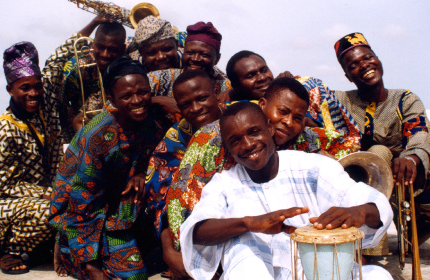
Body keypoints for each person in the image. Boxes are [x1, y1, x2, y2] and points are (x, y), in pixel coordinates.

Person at [179, 102, 393, 279]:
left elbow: (372, 204)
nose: (247, 145)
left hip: (321, 273)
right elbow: (196, 231)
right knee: (243, 246)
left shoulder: (314, 167)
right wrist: (248, 223)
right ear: (227, 147)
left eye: (254, 132)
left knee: (378, 276)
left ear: (270, 129)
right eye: (235, 141)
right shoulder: (224, 184)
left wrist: (361, 211)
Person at [166, 78, 358, 250]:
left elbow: (352, 149)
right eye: (282, 112)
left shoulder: (304, 138)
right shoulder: (212, 138)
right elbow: (181, 199)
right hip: (229, 240)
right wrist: (178, 247)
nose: (289, 122)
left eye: (298, 118)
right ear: (263, 104)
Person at [49, 56, 169, 279]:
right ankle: (66, 243)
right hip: (87, 213)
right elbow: (82, 200)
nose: (136, 101)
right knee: (133, 276)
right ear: (112, 100)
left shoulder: (154, 122)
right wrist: (90, 263)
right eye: (126, 96)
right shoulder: (99, 136)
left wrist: (144, 173)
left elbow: (160, 157)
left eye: (142, 92)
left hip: (123, 207)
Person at [333, 32, 430, 251]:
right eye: (353, 65)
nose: (364, 65)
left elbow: (421, 133)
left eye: (367, 58)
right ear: (347, 76)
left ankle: (410, 239)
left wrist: (412, 158)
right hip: (358, 190)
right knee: (379, 152)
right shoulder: (339, 101)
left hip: (404, 182)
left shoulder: (405, 99)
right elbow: (309, 94)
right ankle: (372, 250)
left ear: (378, 60)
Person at [0, 42, 62, 274]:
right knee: (52, 210)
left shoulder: (42, 105)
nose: (33, 93)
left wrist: (98, 21)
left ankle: (37, 244)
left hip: (43, 193)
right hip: (4, 202)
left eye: (37, 87)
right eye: (25, 88)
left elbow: (58, 61)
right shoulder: (4, 129)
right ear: (10, 89)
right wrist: (50, 193)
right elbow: (5, 185)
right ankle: (7, 249)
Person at [144, 70, 224, 279]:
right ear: (179, 107)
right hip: (198, 232)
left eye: (202, 98)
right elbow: (160, 200)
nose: (196, 108)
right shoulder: (175, 139)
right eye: (186, 104)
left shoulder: (242, 119)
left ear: (216, 92)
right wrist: (170, 253)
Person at [218, 50, 360, 144]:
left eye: (264, 70)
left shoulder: (302, 88)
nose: (262, 78)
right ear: (235, 85)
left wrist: (309, 120)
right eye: (251, 75)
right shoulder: (231, 109)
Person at [43, 16, 127, 142]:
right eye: (100, 47)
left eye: (112, 49)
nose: (105, 54)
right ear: (92, 44)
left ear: (123, 49)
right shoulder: (77, 68)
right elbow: (54, 61)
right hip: (86, 134)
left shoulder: (131, 61)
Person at [147, 21, 231, 98]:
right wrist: (158, 100)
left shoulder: (227, 88)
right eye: (190, 53)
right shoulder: (160, 78)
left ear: (217, 59)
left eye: (204, 55)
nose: (195, 59)